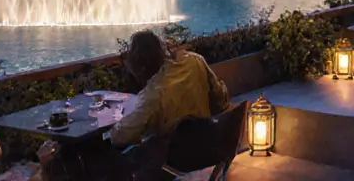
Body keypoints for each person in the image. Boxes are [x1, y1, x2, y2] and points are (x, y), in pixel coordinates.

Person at [37, 30, 230, 180]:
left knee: (99, 159)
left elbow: (121, 137)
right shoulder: (195, 61)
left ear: (141, 66)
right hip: (209, 148)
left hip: (177, 159)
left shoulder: (154, 94)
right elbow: (222, 101)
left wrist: (108, 133)